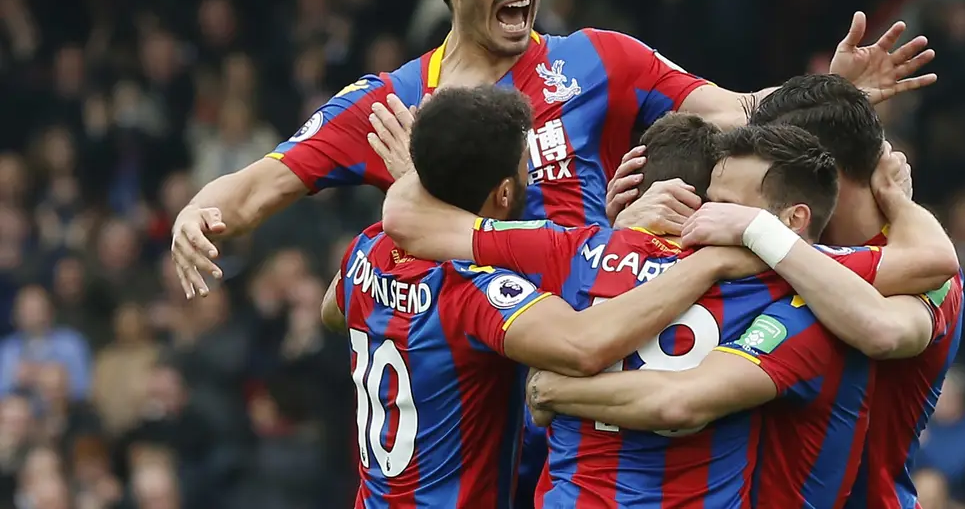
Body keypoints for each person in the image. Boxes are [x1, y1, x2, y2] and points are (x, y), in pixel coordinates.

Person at [171, 0, 936, 302]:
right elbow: (249, 191)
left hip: (588, 344)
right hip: (466, 371)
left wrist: (827, 93)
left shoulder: (599, 60)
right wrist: (195, 216)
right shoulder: (391, 103)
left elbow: (735, 110)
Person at [320, 86, 764, 507]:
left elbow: (333, 312)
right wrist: (689, 259)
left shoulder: (370, 247)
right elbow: (581, 345)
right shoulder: (476, 288)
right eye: (524, 171)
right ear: (506, 193)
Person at [527, 127, 956, 508]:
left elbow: (678, 401)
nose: (702, 219)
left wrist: (555, 390)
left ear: (789, 220)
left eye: (724, 207)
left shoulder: (811, 302)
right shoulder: (762, 274)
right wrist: (625, 236)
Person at [686, 74, 965, 509]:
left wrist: (759, 230)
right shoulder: (772, 246)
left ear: (819, 173)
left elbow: (883, 331)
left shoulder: (922, 272)